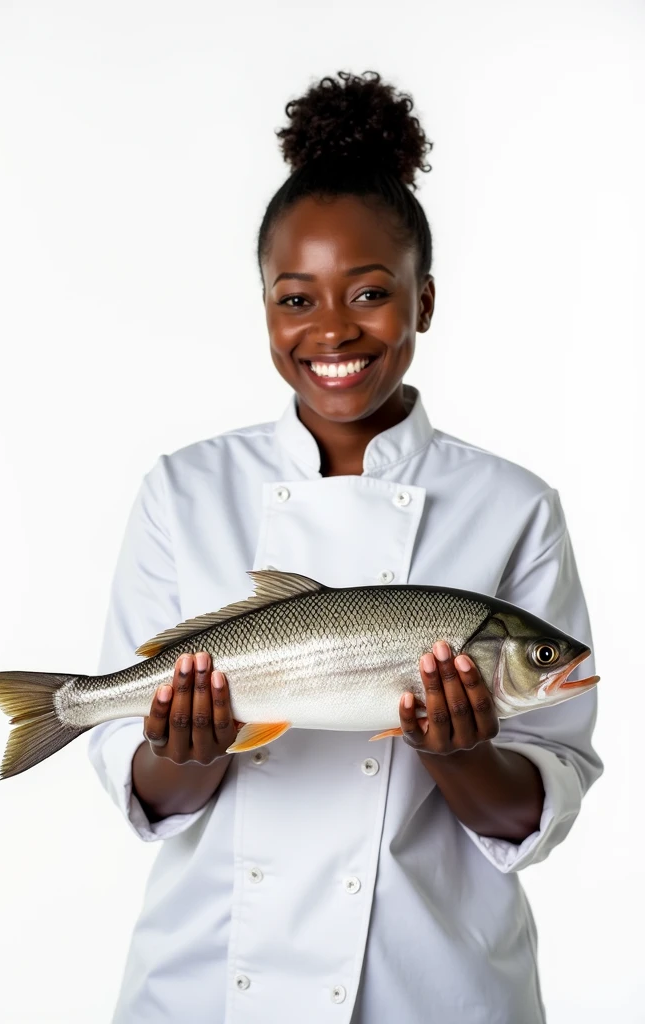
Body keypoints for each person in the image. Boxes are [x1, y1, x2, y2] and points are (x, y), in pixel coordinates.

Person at [88, 69, 602, 1023]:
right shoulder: (182, 490)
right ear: (266, 307)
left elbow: (539, 802)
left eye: (370, 292)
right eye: (296, 299)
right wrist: (189, 748)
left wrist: (458, 751)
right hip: (209, 979)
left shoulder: (516, 506)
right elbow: (144, 784)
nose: (332, 329)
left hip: (431, 983)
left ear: (426, 299)